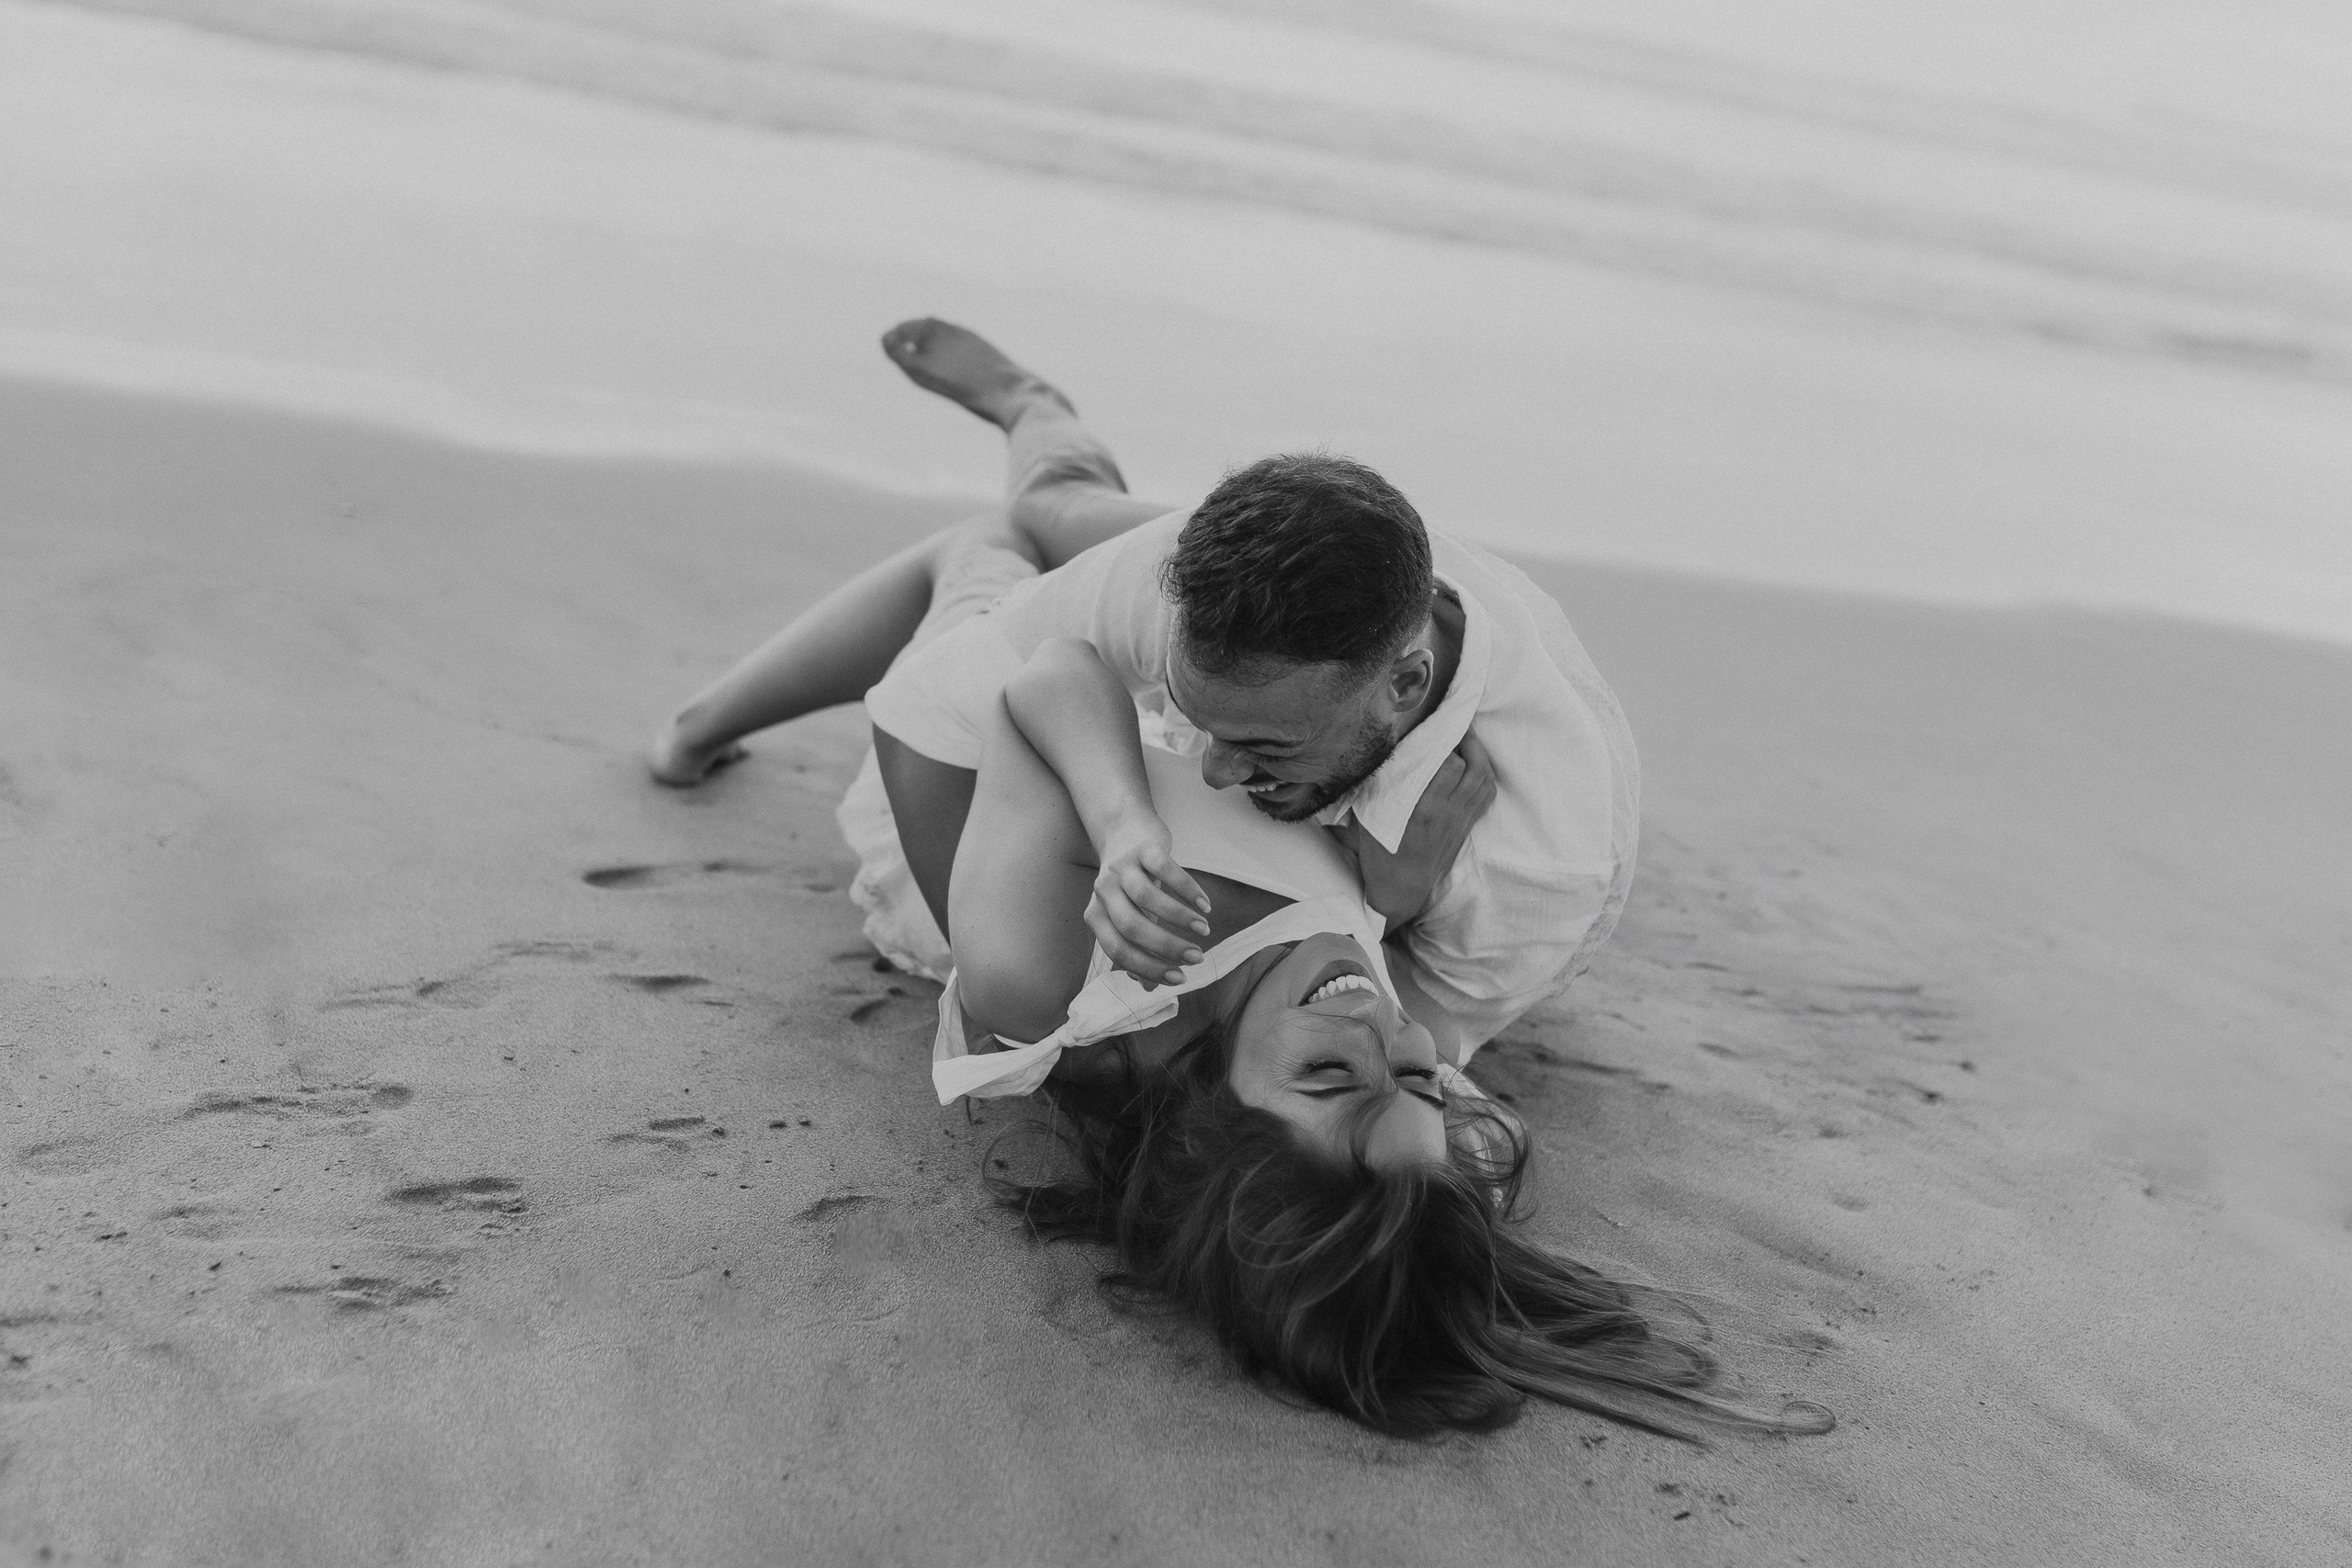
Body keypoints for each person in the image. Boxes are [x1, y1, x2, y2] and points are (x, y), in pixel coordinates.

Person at [647, 325, 1827, 1439]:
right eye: (1419, 1077)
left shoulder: (1044, 977)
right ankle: (1044, 438)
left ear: (1215, 1117)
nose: (1377, 1027)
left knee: (979, 555)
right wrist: (1396, 892)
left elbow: (1049, 674)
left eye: (1332, 1075)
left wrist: (1113, 831)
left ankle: (696, 727)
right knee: (1078, 524)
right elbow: (1375, 986)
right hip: (1164, 728)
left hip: (979, 765)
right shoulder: (1351, 1015)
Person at [659, 320, 1639, 1070]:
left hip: (1419, 662)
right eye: (1191, 716)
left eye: (1263, 749)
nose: (1211, 769)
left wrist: (1399, 905)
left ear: (1405, 687)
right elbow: (928, 710)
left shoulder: (1539, 855)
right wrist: (997, 919)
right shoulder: (1184, 594)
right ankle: (1031, 405)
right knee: (1031, 522)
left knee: (999, 544)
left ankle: (718, 712)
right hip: (1318, 566)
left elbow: (1401, 1041)